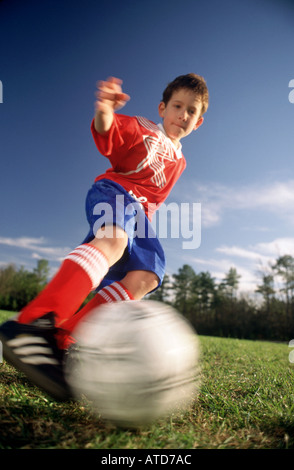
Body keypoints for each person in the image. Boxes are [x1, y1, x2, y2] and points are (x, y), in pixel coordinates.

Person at [0, 74, 209, 400]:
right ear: (162, 108)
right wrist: (105, 111)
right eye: (177, 106)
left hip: (140, 215)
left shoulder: (180, 161)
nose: (183, 115)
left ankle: (64, 339)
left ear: (198, 122)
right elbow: (109, 132)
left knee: (147, 275)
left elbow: (153, 198)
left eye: (191, 111)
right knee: (113, 241)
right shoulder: (144, 130)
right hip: (114, 193)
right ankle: (33, 323)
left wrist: (142, 234)